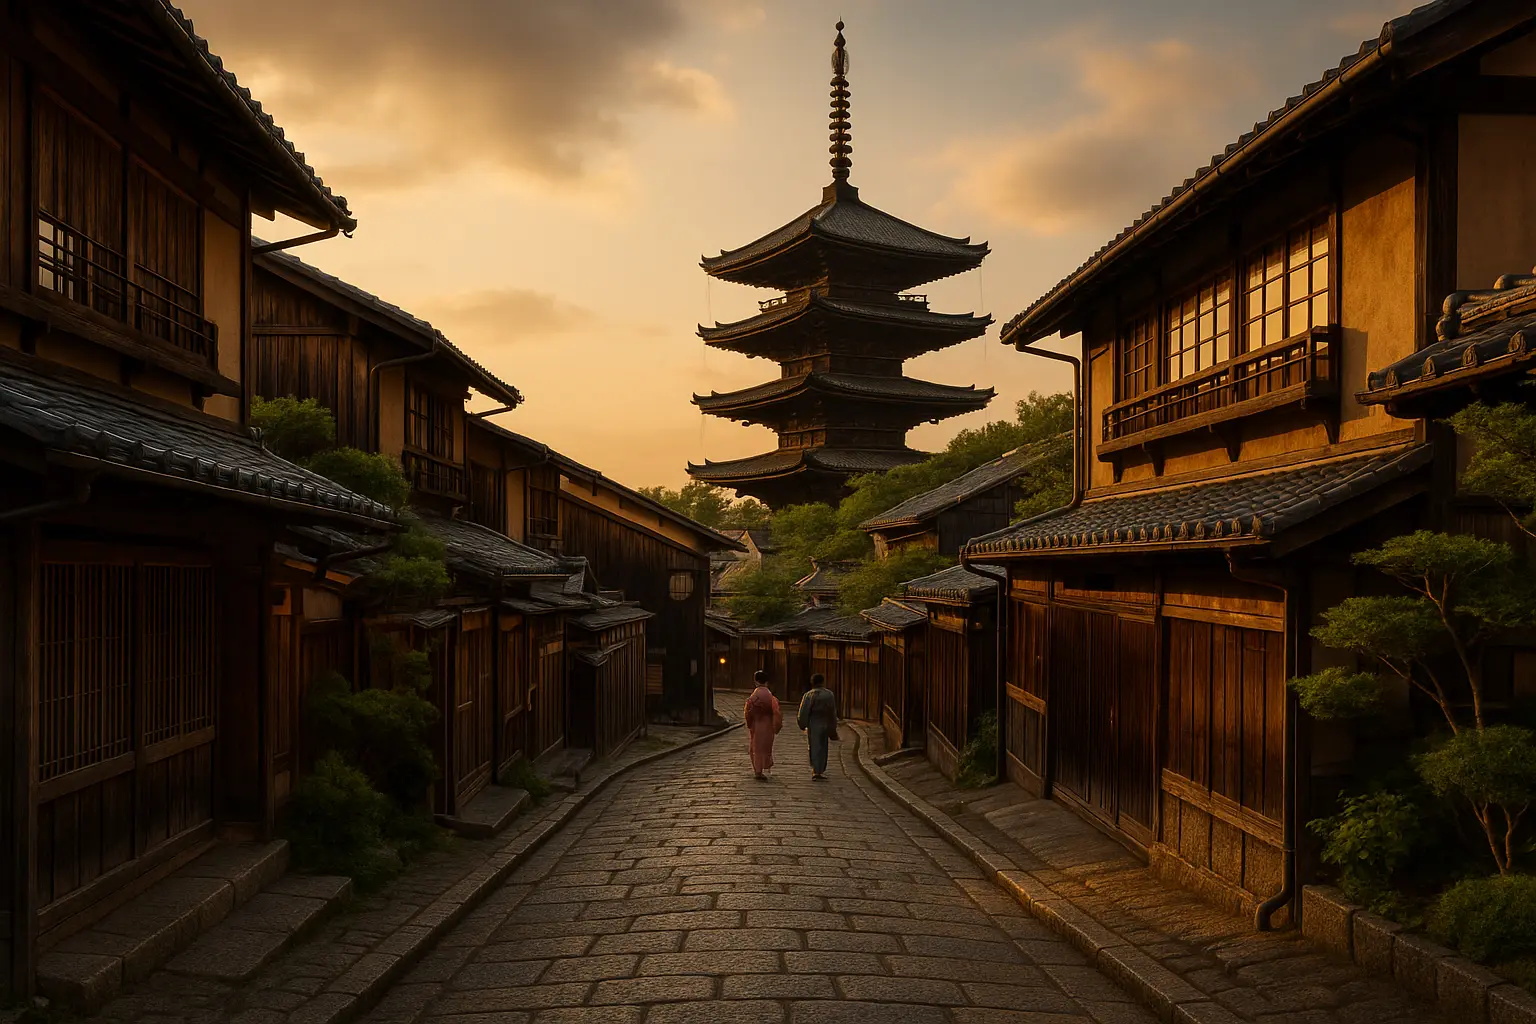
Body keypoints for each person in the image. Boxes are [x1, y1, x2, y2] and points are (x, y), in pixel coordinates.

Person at [796, 673, 838, 780]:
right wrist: (833, 726)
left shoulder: (809, 695)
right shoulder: (829, 695)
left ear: (812, 682)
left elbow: (804, 711)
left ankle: (815, 770)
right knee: (824, 746)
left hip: (814, 722)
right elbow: (832, 712)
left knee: (814, 746)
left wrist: (802, 723)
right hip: (825, 721)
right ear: (822, 682)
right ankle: (820, 769)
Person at [743, 671, 782, 781]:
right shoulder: (770, 696)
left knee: (756, 746)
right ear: (767, 681)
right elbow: (776, 712)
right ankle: (761, 768)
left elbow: (748, 711)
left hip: (756, 723)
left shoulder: (753, 696)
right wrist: (777, 725)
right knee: (765, 747)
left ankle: (757, 769)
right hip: (767, 723)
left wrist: (749, 722)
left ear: (755, 681)